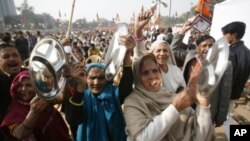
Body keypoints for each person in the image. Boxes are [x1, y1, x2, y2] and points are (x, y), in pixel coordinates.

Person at [123, 54, 214, 141]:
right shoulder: (132, 102)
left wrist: (203, 106)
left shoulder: (170, 95)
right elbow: (141, 138)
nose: (152, 76)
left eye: (155, 71)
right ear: (137, 77)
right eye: (145, 73)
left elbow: (199, 135)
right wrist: (174, 109)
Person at [66, 35, 135, 141]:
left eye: (101, 78)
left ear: (107, 79)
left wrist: (127, 57)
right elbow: (73, 119)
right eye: (92, 78)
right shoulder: (80, 95)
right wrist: (79, 89)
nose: (96, 82)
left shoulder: (112, 93)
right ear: (86, 78)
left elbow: (126, 87)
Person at [0, 70, 71, 141]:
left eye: (29, 85)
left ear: (38, 87)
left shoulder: (43, 99)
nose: (24, 89)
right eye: (20, 86)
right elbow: (19, 134)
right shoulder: (14, 110)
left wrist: (65, 77)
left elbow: (62, 97)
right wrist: (33, 113)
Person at [182, 34, 233, 127]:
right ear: (197, 47)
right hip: (187, 105)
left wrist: (221, 117)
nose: (208, 49)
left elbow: (225, 93)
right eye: (204, 45)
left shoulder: (224, 65)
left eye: (211, 46)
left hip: (207, 109)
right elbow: (173, 48)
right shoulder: (190, 57)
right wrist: (182, 32)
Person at [133, 10, 186, 93]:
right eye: (158, 51)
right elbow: (139, 54)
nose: (162, 53)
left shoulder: (176, 70)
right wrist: (138, 31)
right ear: (152, 54)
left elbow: (184, 91)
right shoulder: (149, 72)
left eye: (165, 50)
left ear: (169, 53)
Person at [221, 21, 250, 140]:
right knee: (228, 114)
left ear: (234, 35)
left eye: (226, 34)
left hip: (226, 92)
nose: (224, 37)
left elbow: (225, 75)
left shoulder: (230, 52)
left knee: (224, 118)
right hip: (236, 92)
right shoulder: (247, 51)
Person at [0, 43, 23, 141]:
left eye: (15, 55)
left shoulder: (32, 76)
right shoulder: (2, 81)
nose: (12, 59)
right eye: (6, 57)